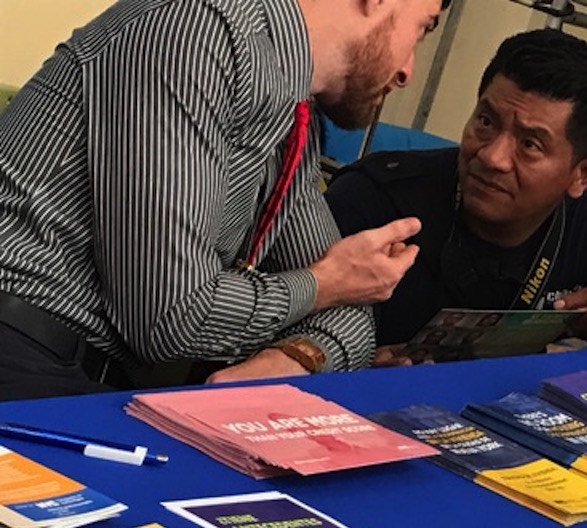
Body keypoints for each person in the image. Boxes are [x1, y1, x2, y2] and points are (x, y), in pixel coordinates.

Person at [0, 0, 449, 401]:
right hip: (21, 342)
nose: (408, 71)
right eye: (422, 28)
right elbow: (170, 316)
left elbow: (351, 314)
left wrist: (298, 355)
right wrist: (322, 285)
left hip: (84, 376)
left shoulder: (291, 116)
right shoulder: (193, 33)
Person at [324, 28, 587, 363]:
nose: (492, 157)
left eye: (530, 144)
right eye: (485, 122)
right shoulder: (374, 200)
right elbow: (293, 312)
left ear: (582, 174)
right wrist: (352, 365)